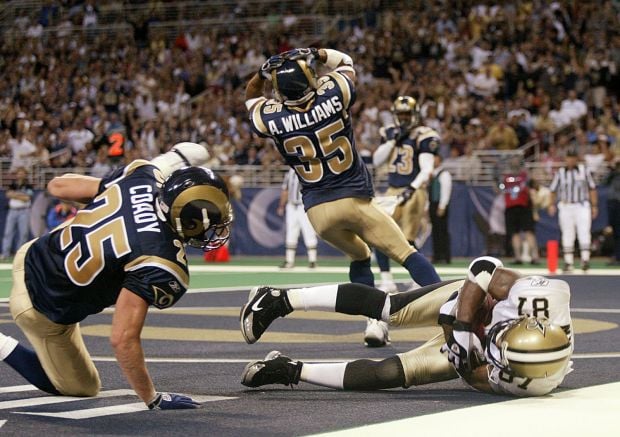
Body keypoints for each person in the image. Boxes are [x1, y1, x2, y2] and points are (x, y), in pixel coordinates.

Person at [0, 142, 233, 410]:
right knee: (81, 387)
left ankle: (173, 158)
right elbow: (122, 339)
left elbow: (57, 186)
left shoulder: (143, 174)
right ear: (189, 222)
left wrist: (116, 194)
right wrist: (152, 398)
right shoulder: (161, 260)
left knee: (108, 203)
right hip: (41, 306)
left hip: (34, 252)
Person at [245, 48, 440, 347]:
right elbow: (346, 62)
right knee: (406, 253)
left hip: (319, 214)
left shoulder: (271, 118)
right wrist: (317, 52)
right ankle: (453, 312)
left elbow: (250, 96)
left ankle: (374, 323)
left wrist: (261, 74)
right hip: (354, 199)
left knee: (360, 256)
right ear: (310, 79)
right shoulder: (333, 93)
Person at [240, 257, 573, 397]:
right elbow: (484, 268)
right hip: (474, 306)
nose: (494, 338)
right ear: (525, 319)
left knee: (396, 374)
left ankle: (287, 369)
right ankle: (279, 299)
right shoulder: (539, 297)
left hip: (473, 350)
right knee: (392, 310)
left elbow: (475, 376)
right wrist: (462, 322)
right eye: (502, 335)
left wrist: (460, 347)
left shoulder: (526, 381)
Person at [372, 96, 439, 291]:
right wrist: (393, 141)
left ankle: (422, 279)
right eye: (400, 114)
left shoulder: (424, 135)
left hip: (414, 189)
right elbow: (377, 161)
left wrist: (412, 189)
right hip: (393, 190)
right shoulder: (390, 132)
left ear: (415, 115)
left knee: (407, 240)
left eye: (406, 114)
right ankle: (386, 279)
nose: (403, 118)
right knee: (379, 234)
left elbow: (427, 169)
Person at [547, 148, 598, 272]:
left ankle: (585, 260)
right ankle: (568, 261)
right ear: (566, 158)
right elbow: (553, 190)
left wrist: (594, 205)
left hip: (581, 205)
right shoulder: (560, 173)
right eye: (569, 157)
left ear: (576, 158)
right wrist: (551, 204)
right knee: (567, 233)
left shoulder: (584, 171)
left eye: (573, 157)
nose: (571, 160)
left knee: (584, 232)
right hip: (565, 205)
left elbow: (592, 188)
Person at [500, 160, 539, 265]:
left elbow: (534, 188)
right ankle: (525, 257)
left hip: (521, 207)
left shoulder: (523, 176)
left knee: (525, 232)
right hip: (517, 207)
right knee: (518, 233)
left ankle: (530, 256)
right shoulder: (523, 176)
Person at [277, 168, 318, 269]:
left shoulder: (308, 172)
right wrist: (281, 205)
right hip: (291, 205)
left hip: (303, 205)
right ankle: (289, 261)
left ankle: (312, 260)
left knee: (309, 231)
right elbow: (285, 190)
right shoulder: (290, 173)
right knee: (291, 233)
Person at [1, 167, 34, 260]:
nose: (20, 175)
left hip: (24, 211)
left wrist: (15, 195)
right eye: (19, 173)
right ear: (17, 174)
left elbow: (27, 198)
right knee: (8, 232)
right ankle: (5, 253)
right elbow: (8, 194)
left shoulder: (28, 185)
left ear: (25, 174)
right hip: (12, 211)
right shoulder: (13, 184)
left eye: (22, 173)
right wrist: (21, 195)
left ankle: (19, 255)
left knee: (23, 233)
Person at [429, 154, 452, 263]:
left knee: (442, 231)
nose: (433, 161)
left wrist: (442, 206)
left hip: (440, 204)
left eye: (435, 159)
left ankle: (445, 256)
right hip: (432, 203)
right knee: (435, 231)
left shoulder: (444, 174)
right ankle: (437, 255)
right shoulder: (431, 174)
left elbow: (446, 191)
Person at [604, 157, 620, 266]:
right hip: (613, 204)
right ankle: (617, 255)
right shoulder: (613, 175)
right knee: (615, 231)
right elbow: (604, 182)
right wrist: (613, 170)